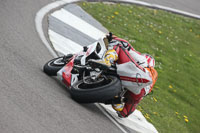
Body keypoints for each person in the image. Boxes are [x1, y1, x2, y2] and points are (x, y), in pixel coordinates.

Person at [91, 33, 158, 118]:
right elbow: (125, 113)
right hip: (140, 92)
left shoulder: (143, 60)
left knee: (119, 47)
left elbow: (127, 46)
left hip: (137, 74)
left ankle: (108, 60)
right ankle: (117, 100)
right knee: (124, 112)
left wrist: (113, 37)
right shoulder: (153, 76)